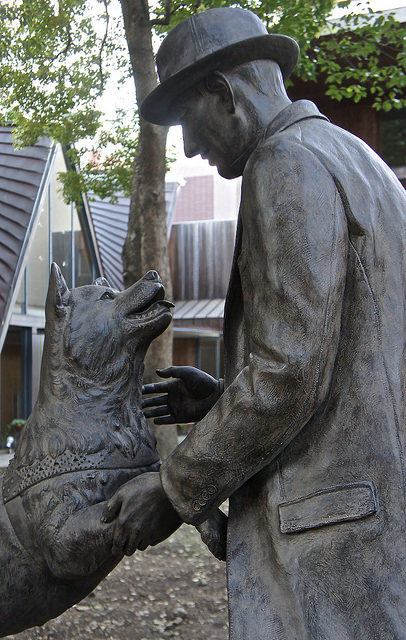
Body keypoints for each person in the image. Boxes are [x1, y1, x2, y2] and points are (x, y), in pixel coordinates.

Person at [102, 7, 406, 639]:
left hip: (331, 536)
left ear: (223, 92)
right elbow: (360, 360)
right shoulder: (364, 164)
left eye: (187, 118)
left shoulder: (285, 164)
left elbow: (290, 372)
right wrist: (222, 403)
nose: (188, 145)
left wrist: (175, 486)